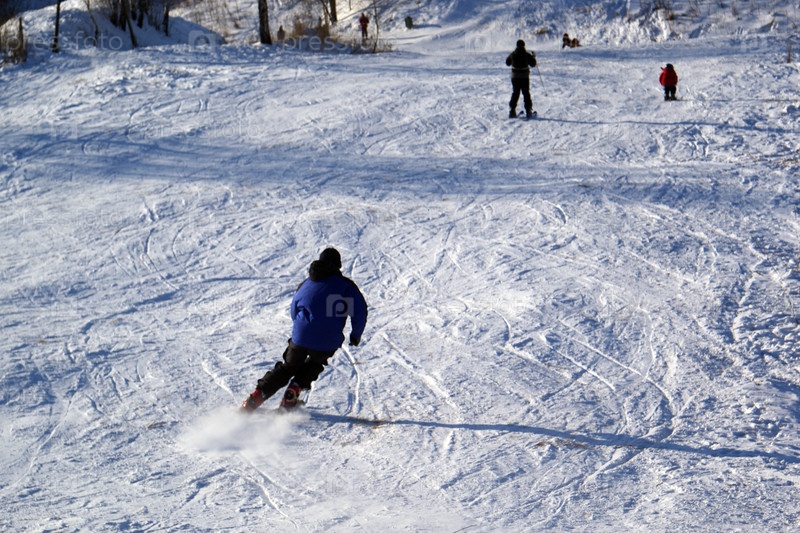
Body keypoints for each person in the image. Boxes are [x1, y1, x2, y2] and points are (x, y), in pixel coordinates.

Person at [241, 248, 368, 411]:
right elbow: (360, 312)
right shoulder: (346, 286)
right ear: (338, 265)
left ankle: (256, 397)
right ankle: (293, 391)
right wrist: (355, 335)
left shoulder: (306, 283)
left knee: (288, 367)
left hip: (301, 336)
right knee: (315, 363)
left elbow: (294, 309)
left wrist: (302, 329)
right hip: (327, 339)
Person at [505, 39, 537, 119]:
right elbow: (533, 64)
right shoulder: (526, 54)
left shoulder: (513, 54)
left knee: (515, 93)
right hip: (524, 76)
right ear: (524, 46)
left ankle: (512, 110)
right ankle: (528, 111)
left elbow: (507, 63)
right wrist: (533, 57)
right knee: (526, 93)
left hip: (515, 77)